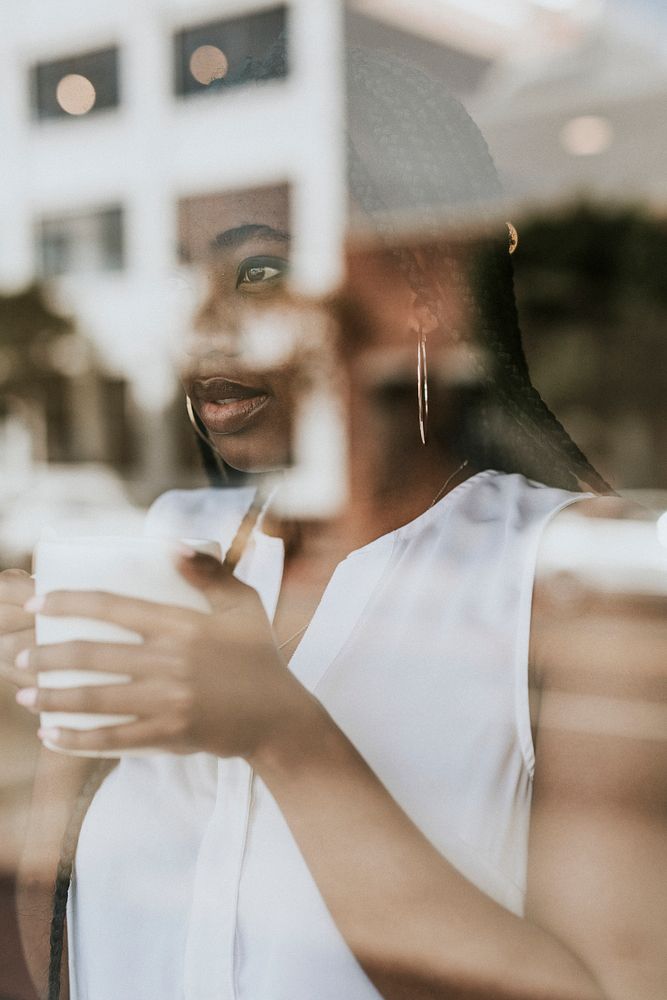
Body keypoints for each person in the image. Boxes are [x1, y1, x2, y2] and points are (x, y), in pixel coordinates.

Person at [4, 46, 666, 1000]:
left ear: (419, 287)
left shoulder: (575, 586)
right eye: (185, 271)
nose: (203, 324)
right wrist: (25, 732)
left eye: (262, 269)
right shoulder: (165, 546)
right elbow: (62, 938)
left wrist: (285, 738)